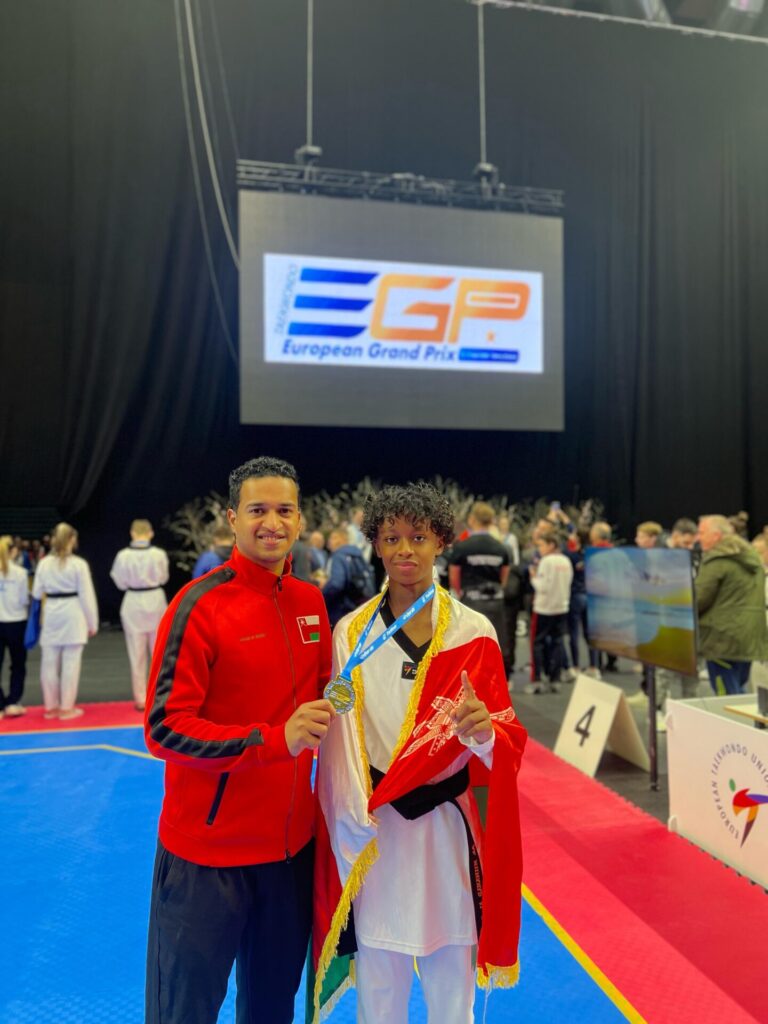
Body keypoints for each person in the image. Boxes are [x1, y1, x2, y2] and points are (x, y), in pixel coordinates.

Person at [311, 482, 526, 1024]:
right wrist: (347, 821)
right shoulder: (351, 633)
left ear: (440, 543)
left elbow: (506, 740)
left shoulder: (474, 632)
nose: (405, 549)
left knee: (451, 991)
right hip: (377, 833)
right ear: (376, 546)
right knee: (379, 991)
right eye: (392, 538)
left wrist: (483, 734)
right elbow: (339, 745)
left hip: (445, 832)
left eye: (418, 537)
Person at [144, 456, 334, 1024]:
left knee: (272, 1011)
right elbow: (164, 727)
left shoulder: (310, 603)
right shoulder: (197, 605)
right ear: (232, 518)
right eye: (257, 510)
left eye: (284, 510)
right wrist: (272, 740)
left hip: (289, 857)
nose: (272, 523)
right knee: (184, 1012)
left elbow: (333, 702)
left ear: (300, 520)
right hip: (208, 860)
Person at [31, 523, 98, 720]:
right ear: (72, 540)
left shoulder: (44, 564)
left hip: (52, 612)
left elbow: (36, 593)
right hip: (73, 612)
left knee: (48, 662)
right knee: (71, 663)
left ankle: (51, 707)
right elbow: (87, 596)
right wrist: (92, 623)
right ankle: (67, 708)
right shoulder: (79, 565)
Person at [695, 515, 768, 695]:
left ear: (716, 535)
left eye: (702, 532)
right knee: (738, 690)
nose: (698, 537)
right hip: (748, 637)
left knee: (725, 695)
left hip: (721, 639)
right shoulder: (751, 559)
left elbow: (699, 599)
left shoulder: (717, 561)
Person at [110, 519, 169, 710]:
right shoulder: (158, 554)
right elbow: (164, 577)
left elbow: (119, 581)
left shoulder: (123, 556)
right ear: (151, 533)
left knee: (136, 654)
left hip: (133, 601)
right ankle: (160, 697)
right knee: (159, 652)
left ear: (132, 533)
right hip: (155, 598)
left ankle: (141, 699)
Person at [448, 502, 512, 679]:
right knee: (495, 643)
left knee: (470, 645)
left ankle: (469, 681)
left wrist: (462, 593)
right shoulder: (502, 548)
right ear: (491, 521)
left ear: (472, 519)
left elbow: (454, 577)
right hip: (496, 602)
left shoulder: (462, 547)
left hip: (471, 602)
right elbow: (504, 578)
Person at [525, 529, 573, 694]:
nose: (539, 549)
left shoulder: (546, 561)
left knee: (537, 643)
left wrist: (533, 576)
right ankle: (555, 679)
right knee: (557, 642)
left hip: (544, 608)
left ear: (551, 545)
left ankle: (537, 680)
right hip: (561, 607)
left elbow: (542, 587)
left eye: (542, 545)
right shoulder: (566, 561)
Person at [0, 536, 30, 718]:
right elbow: (23, 600)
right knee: (18, 664)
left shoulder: (19, 572)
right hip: (16, 622)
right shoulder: (20, 573)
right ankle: (12, 701)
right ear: (14, 551)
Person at [321, 528, 376, 627]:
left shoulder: (338, 556)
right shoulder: (357, 555)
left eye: (334, 538)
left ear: (343, 539)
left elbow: (336, 584)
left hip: (340, 610)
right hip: (359, 607)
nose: (330, 541)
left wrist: (322, 596)